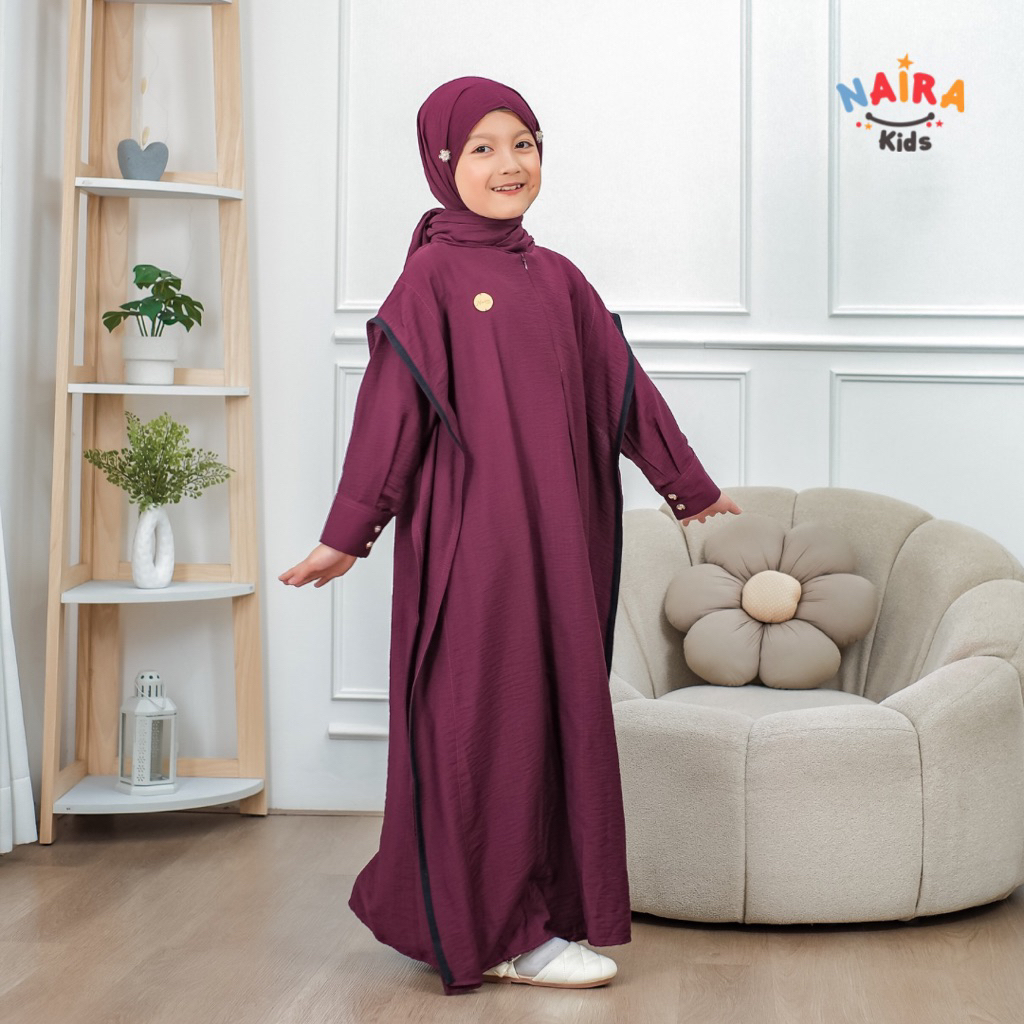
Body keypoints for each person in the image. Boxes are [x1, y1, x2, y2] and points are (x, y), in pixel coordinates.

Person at [280, 76, 741, 996]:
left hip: (560, 545)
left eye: (523, 143)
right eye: (483, 148)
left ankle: (529, 917)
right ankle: (496, 930)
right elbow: (391, 414)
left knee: (549, 717)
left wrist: (688, 487)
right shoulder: (432, 277)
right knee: (480, 720)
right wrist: (350, 531)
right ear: (443, 164)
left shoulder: (559, 277)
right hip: (475, 548)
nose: (509, 163)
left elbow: (623, 389)